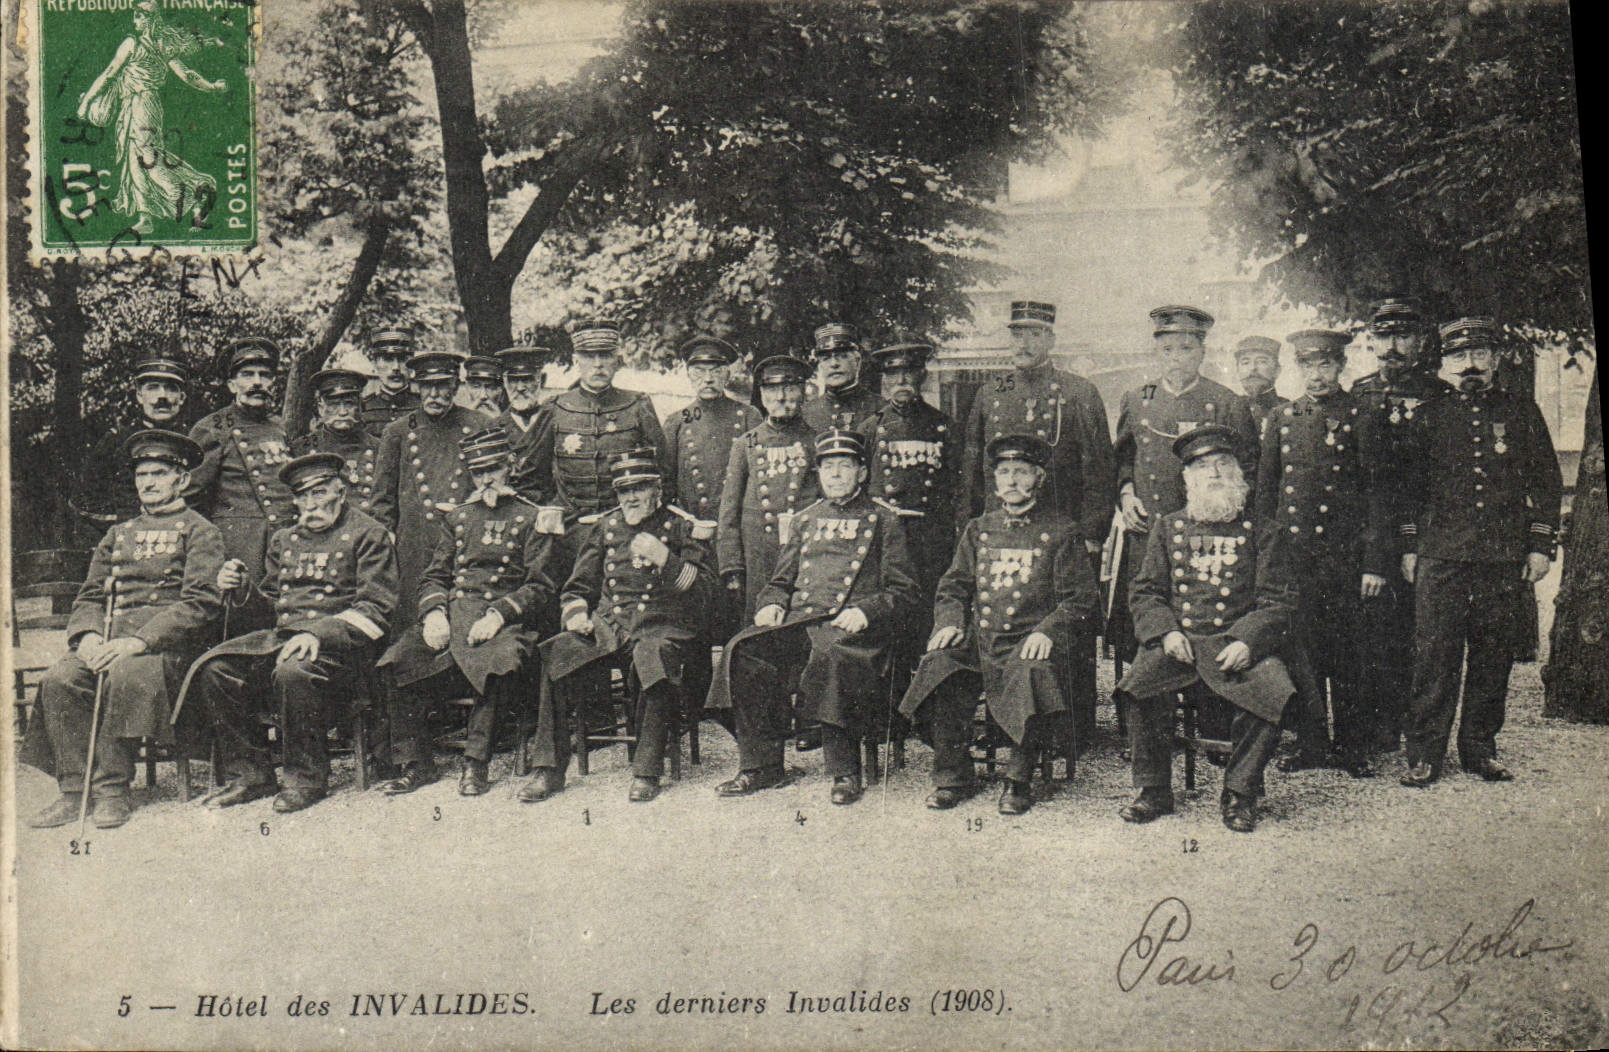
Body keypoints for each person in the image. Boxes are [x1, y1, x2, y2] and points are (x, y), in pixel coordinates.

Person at [23, 431, 224, 830]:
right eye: (141, 475)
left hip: (165, 650)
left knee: (126, 674)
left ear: (182, 479)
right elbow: (90, 595)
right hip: (110, 641)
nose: (147, 483)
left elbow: (201, 602)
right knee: (62, 678)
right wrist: (88, 637)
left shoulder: (201, 532)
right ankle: (74, 790)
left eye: (159, 473)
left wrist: (138, 641)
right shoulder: (118, 534)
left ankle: (113, 789)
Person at [178, 452, 398, 813]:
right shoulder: (284, 539)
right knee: (216, 670)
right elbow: (271, 607)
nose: (310, 505)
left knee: (294, 669)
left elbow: (376, 610)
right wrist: (242, 589)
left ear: (340, 493)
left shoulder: (368, 534)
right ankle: (251, 774)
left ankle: (306, 778)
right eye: (303, 497)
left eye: (320, 494)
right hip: (284, 639)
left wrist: (319, 634)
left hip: (345, 651)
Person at [709, 430, 919, 805]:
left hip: (854, 631)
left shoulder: (883, 520)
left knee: (832, 656)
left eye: (845, 466)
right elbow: (780, 581)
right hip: (803, 623)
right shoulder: (806, 519)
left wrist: (866, 611)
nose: (836, 475)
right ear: (818, 473)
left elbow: (903, 592)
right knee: (744, 650)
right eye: (828, 467)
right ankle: (762, 765)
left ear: (861, 473)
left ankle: (844, 769)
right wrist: (771, 602)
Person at [1398, 318, 1561, 787]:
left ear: (1495, 358)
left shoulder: (1522, 412)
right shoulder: (1428, 416)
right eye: (1459, 357)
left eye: (1479, 354)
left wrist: (1539, 545)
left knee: (1493, 654)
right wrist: (1411, 547)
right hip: (1441, 556)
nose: (1469, 365)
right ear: (1445, 363)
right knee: (1434, 655)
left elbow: (1546, 483)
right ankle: (1425, 753)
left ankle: (1479, 749)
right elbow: (1408, 490)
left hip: (1500, 556)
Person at [899, 434, 1098, 814]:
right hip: (982, 639)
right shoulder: (979, 529)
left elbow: (1082, 599)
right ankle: (952, 776)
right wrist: (950, 620)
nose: (1011, 481)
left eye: (1021, 472)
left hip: (1030, 640)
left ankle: (1018, 779)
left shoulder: (1061, 531)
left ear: (1038, 478)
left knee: (1030, 673)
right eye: (1004, 472)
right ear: (994, 481)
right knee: (940, 664)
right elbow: (954, 584)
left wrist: (1047, 631)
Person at [1117, 424, 1297, 833]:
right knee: (1137, 685)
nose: (1214, 474)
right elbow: (1145, 591)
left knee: (1272, 688)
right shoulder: (1169, 528)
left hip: (1235, 643)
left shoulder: (1264, 532)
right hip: (1181, 642)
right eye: (1202, 467)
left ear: (1239, 475)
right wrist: (1166, 632)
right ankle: (1153, 790)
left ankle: (1240, 792)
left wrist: (1247, 641)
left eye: (1222, 464)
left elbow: (1279, 600)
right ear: (1188, 479)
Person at [376, 428, 563, 797]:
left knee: (495, 662)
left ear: (510, 466)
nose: (487, 479)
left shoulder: (533, 517)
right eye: (479, 473)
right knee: (396, 660)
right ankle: (416, 763)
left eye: (494, 469)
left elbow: (541, 586)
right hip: (454, 616)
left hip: (504, 622)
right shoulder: (457, 518)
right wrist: (433, 614)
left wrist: (498, 616)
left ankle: (475, 763)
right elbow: (434, 576)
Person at [958, 300, 1112, 747]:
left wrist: (1092, 536)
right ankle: (1007, 723)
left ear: (1051, 340)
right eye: (1016, 334)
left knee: (1063, 627)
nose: (1022, 343)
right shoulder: (991, 392)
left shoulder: (1078, 391)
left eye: (1033, 334)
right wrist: (968, 528)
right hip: (1002, 531)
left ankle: (1072, 726)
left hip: (1063, 534)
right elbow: (972, 468)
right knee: (1003, 625)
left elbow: (1099, 470)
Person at [522, 449, 715, 804]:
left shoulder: (682, 525)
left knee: (653, 657)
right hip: (611, 625)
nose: (630, 498)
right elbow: (579, 586)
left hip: (663, 625)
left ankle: (646, 770)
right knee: (557, 652)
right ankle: (548, 769)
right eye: (623, 490)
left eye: (638, 489)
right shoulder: (606, 526)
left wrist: (666, 560)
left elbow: (705, 594)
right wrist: (576, 615)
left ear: (656, 489)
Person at [1255, 330, 1391, 778]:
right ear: (1299, 368)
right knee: (1304, 653)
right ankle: (1311, 743)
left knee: (1351, 654)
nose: (1317, 375)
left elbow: (1377, 494)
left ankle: (1353, 746)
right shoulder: (1283, 417)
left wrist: (1374, 563)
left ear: (1340, 366)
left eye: (1326, 366)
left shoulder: (1363, 414)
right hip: (1296, 559)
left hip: (1346, 559)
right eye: (1308, 366)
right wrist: (1267, 557)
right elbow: (1267, 494)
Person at [1111, 306, 1257, 664]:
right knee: (1146, 634)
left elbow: (1250, 471)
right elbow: (1121, 459)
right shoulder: (1137, 399)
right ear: (1156, 352)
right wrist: (1127, 494)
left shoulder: (1226, 402)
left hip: (1207, 538)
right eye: (1168, 350)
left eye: (1186, 349)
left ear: (1202, 352)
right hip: (1149, 533)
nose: (1176, 358)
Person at [1351, 297, 1452, 749]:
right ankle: (1377, 727)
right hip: (1372, 529)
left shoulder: (1441, 395)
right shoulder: (1360, 392)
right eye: (1385, 336)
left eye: (1404, 336)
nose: (1394, 346)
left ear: (1420, 341)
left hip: (1428, 529)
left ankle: (1420, 726)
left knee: (1421, 630)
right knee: (1374, 628)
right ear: (1373, 341)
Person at [75, 0, 226, 236]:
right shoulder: (162, 45)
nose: (134, 21)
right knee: (135, 163)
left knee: (149, 159)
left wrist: (85, 103)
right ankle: (145, 217)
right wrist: (212, 87)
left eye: (138, 17)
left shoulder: (132, 43)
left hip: (141, 105)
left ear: (150, 19)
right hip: (140, 105)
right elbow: (187, 75)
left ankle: (199, 187)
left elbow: (108, 73)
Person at [372, 351, 497, 629]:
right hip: (414, 546)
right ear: (416, 387)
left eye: (442, 385)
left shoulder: (479, 425)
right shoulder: (398, 431)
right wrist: (388, 543)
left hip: (466, 542)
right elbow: (382, 500)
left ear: (455, 385)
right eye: (428, 386)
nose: (435, 394)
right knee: (413, 627)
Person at [186, 337, 296, 630]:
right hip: (240, 547)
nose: (257, 383)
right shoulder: (212, 428)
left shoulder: (280, 429)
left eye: (264, 375)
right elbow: (191, 500)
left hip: (282, 543)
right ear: (232, 384)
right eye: (247, 375)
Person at [519, 320, 670, 519]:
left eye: (605, 355)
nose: (598, 364)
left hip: (625, 527)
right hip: (570, 529)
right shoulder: (555, 408)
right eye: (589, 356)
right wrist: (554, 511)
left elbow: (663, 474)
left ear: (617, 360)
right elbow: (531, 477)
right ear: (576, 361)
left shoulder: (638, 405)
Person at [716, 355, 822, 620]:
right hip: (758, 557)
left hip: (806, 553)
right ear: (762, 395)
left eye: (790, 389)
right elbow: (729, 511)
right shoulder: (746, 444)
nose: (782, 398)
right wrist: (732, 566)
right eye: (773, 390)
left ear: (803, 393)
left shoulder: (818, 442)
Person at [70, 353, 192, 540]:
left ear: (182, 397)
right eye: (153, 388)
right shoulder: (116, 441)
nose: (162, 396)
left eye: (170, 389)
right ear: (139, 396)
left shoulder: (193, 441)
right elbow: (86, 502)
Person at [291, 368, 380, 516]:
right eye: (334, 405)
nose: (343, 412)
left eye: (349, 403)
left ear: (359, 407)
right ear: (321, 408)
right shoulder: (302, 448)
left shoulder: (378, 447)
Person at [802, 322, 881, 433]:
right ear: (820, 366)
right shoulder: (806, 413)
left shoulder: (880, 408)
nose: (834, 364)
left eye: (842, 356)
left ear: (857, 362)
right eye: (826, 358)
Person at [492, 344, 557, 479]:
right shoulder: (494, 427)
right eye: (513, 380)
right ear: (504, 382)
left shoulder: (554, 420)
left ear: (541, 380)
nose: (520, 388)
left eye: (527, 379)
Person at [361, 329, 420, 438]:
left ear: (411, 365)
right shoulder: (363, 408)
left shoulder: (423, 407)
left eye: (402, 359)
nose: (396, 367)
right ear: (375, 364)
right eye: (388, 359)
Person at [1233, 335, 1284, 429]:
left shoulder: (1288, 409)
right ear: (1237, 370)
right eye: (1245, 362)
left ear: (1277, 370)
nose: (1253, 368)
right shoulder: (1227, 409)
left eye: (1262, 361)